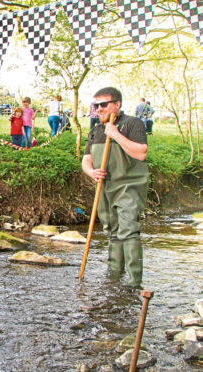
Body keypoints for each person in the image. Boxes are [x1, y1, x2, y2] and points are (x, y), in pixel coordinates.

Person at [82, 87, 148, 287]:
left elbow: (141, 153)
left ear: (117, 104)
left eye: (104, 104)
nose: (99, 109)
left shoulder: (132, 123)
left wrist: (116, 134)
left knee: (128, 230)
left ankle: (134, 283)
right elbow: (86, 160)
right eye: (96, 105)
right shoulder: (95, 130)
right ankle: (114, 277)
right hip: (105, 187)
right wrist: (91, 172)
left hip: (129, 184)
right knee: (112, 231)